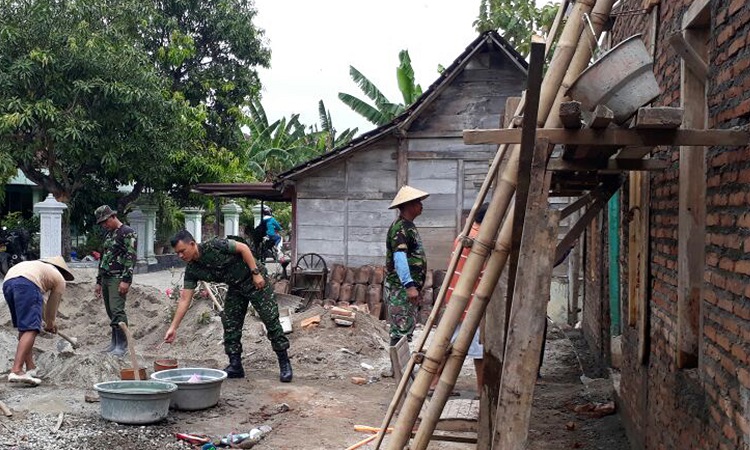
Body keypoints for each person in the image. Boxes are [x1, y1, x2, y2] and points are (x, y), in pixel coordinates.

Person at [164, 230, 292, 382]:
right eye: (177, 253)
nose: (180, 256)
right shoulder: (192, 269)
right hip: (236, 287)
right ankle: (235, 365)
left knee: (270, 320)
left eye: (182, 251)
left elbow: (243, 248)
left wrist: (256, 273)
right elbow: (185, 299)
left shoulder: (215, 245)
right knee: (230, 322)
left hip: (255, 281)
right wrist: (173, 328)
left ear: (192, 244)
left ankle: (284, 363)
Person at [431, 203, 489, 395]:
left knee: (449, 343)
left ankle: (435, 382)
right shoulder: (478, 238)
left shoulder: (465, 234)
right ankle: (482, 390)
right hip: (469, 301)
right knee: (480, 348)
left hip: (457, 298)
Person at [2, 256, 75, 386]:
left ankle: (31, 368)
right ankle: (17, 370)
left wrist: (47, 321)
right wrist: (51, 323)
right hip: (27, 284)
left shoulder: (37, 268)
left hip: (8, 283)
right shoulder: (59, 279)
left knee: (24, 328)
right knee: (31, 329)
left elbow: (42, 303)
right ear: (62, 271)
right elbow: (53, 304)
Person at [385, 185, 429, 346]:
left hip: (406, 287)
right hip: (400, 288)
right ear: (409, 205)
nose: (421, 205)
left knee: (406, 327)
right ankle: (399, 369)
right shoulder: (401, 228)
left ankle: (401, 369)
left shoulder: (408, 226)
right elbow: (399, 257)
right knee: (401, 329)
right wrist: (409, 285)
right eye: (418, 202)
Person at [94, 205, 137, 357]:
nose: (104, 225)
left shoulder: (127, 233)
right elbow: (103, 258)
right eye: (102, 223)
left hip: (118, 277)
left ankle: (123, 345)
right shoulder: (108, 235)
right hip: (106, 277)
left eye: (105, 221)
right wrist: (99, 281)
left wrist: (126, 280)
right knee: (110, 311)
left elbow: (130, 258)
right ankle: (114, 342)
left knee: (117, 310)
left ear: (113, 217)